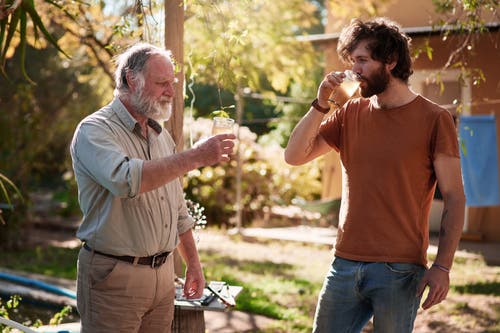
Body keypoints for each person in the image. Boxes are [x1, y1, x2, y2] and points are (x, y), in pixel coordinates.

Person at [285, 18, 465, 332]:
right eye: (351, 61)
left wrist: (443, 266)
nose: (354, 70)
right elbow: (295, 156)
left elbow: (454, 197)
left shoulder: (435, 119)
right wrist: (320, 103)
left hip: (400, 270)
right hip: (343, 264)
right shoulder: (349, 113)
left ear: (391, 61)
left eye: (363, 61)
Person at [70, 42, 235, 332]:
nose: (171, 92)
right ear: (132, 80)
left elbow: (177, 207)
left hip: (163, 277)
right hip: (114, 277)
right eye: (162, 83)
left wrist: (193, 264)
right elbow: (127, 179)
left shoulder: (160, 137)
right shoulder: (94, 130)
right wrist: (196, 156)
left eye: (172, 83)